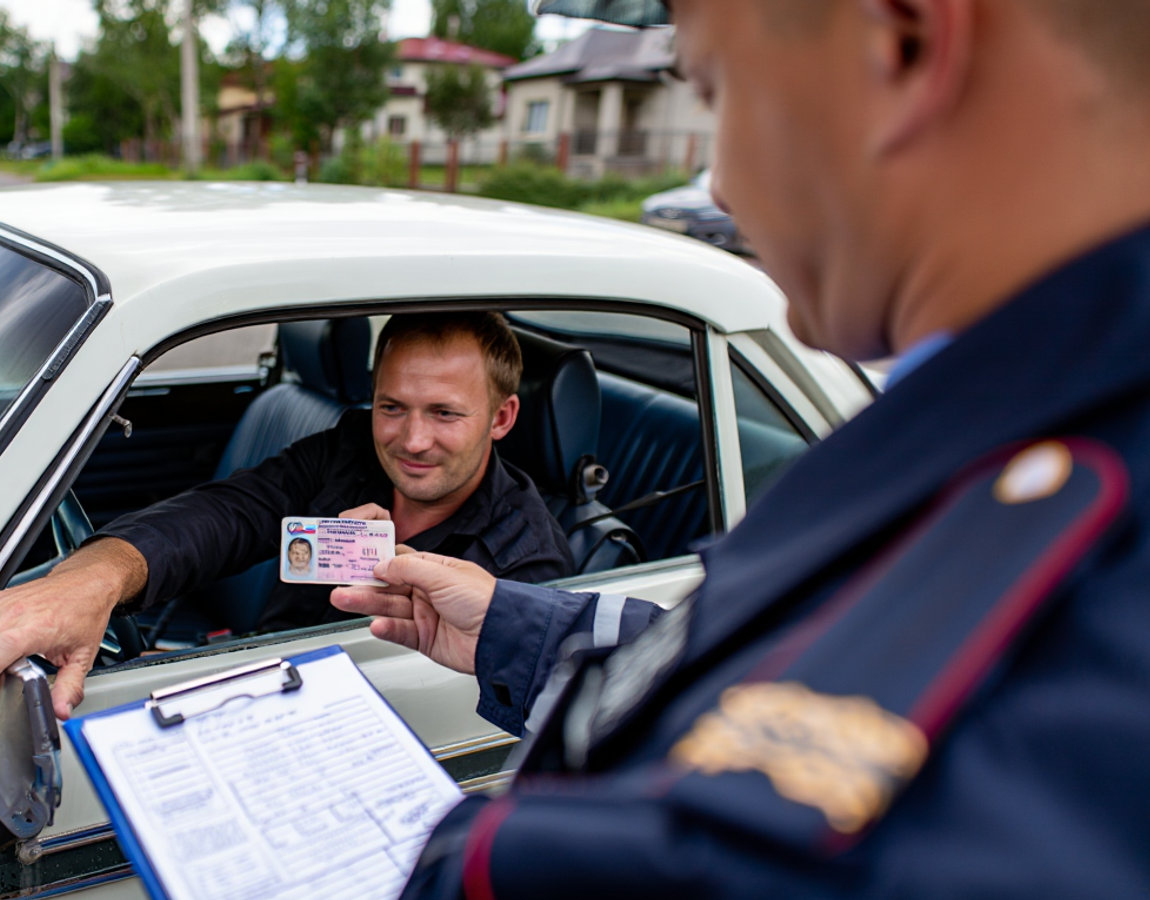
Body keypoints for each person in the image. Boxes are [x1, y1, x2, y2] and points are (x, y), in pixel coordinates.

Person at [331, 0, 1150, 896]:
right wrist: (516, 630)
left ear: (901, 45)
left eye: (719, 91)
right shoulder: (1013, 432)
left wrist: (462, 857)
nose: (719, 186)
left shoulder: (1072, 541)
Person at [0, 311, 574, 718]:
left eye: (444, 413)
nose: (411, 440)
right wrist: (96, 578)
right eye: (392, 407)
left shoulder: (529, 564)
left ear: (501, 418)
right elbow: (229, 512)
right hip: (253, 678)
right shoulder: (349, 449)